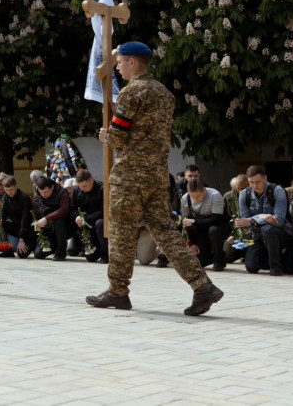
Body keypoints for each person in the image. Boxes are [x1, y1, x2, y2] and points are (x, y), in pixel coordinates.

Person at [87, 41, 222, 316]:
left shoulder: (131, 92)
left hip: (130, 176)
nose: (119, 67)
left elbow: (119, 135)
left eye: (121, 62)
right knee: (167, 233)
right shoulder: (164, 94)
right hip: (157, 176)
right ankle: (202, 285)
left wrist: (106, 135)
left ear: (133, 62)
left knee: (122, 234)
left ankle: (117, 291)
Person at [237, 165, 293, 276]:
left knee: (268, 229)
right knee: (251, 267)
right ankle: (269, 259)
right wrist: (262, 217)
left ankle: (275, 266)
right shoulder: (244, 194)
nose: (254, 185)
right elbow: (245, 220)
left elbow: (279, 220)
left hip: (279, 233)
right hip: (257, 235)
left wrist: (253, 221)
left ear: (265, 179)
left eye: (257, 182)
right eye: (251, 182)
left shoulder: (277, 190)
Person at [182, 180, 230, 271]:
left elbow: (216, 219)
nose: (197, 200)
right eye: (193, 197)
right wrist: (191, 243)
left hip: (219, 226)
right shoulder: (185, 199)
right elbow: (186, 223)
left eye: (199, 196)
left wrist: (194, 221)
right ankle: (208, 257)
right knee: (201, 262)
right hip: (200, 229)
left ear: (204, 190)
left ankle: (219, 260)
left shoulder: (214, 195)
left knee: (213, 230)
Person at [69, 169, 107, 262]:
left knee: (100, 223)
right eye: (80, 186)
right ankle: (88, 249)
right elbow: (73, 208)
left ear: (92, 180)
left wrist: (85, 218)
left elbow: (104, 212)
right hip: (85, 224)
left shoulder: (102, 189)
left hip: (99, 221)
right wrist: (77, 216)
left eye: (85, 186)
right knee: (91, 258)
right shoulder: (77, 190)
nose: (83, 189)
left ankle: (106, 253)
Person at [32, 175, 72, 260]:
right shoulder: (37, 196)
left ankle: (61, 252)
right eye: (41, 192)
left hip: (63, 227)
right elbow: (36, 214)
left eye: (46, 192)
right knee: (38, 254)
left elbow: (64, 210)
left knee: (59, 221)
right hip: (47, 229)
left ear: (52, 187)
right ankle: (54, 247)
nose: (43, 195)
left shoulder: (62, 192)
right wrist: (37, 224)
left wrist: (47, 218)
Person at [0, 175, 35, 258]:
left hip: (27, 230)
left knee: (21, 254)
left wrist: (21, 239)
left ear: (16, 187)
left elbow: (25, 220)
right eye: (6, 190)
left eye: (11, 190)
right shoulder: (5, 197)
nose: (9, 192)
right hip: (15, 227)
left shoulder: (24, 198)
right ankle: (7, 250)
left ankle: (33, 244)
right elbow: (1, 213)